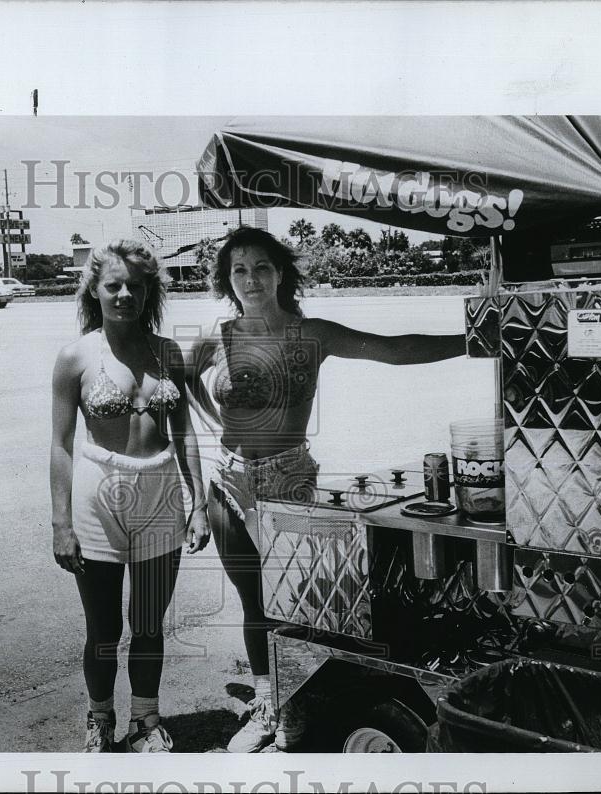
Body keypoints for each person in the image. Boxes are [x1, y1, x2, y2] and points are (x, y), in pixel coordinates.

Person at [186, 226, 466, 752]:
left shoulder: (312, 332)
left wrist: (471, 342)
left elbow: (394, 349)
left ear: (282, 273)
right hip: (227, 481)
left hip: (288, 478)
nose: (251, 279)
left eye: (262, 267)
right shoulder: (216, 338)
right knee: (253, 603)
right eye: (239, 269)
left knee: (292, 605)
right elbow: (172, 380)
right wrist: (205, 430)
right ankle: (268, 704)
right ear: (227, 279)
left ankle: (298, 703)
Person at [50, 239, 210, 754]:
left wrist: (199, 503)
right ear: (94, 290)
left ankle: (146, 721)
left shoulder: (167, 353)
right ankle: (100, 720)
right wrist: (61, 524)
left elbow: (184, 433)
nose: (125, 295)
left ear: (150, 292)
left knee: (147, 623)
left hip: (162, 495)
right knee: (102, 626)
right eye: (114, 285)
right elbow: (61, 444)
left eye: (136, 287)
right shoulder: (75, 356)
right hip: (99, 500)